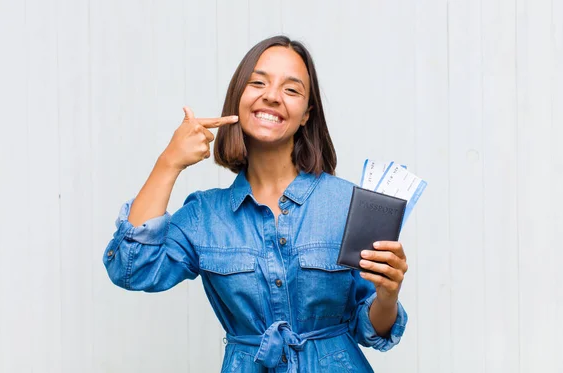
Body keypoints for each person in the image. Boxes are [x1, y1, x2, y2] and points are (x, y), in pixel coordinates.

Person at [103, 35, 408, 372]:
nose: (272, 96)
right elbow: (132, 269)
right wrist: (168, 162)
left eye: (291, 90)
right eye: (258, 83)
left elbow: (372, 331)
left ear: (307, 114)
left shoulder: (350, 203)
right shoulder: (206, 215)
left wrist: (388, 295)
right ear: (238, 98)